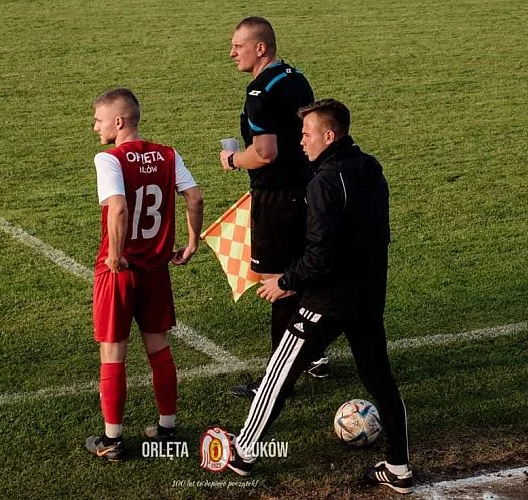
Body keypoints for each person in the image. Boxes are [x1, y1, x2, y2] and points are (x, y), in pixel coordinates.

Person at [226, 99, 412, 495]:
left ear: (329, 135)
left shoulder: (324, 183)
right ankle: (399, 467)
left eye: (307, 134)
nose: (301, 141)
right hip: (368, 296)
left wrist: (285, 281)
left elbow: (321, 254)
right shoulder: (371, 168)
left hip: (328, 299)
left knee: (277, 375)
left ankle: (242, 453)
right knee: (380, 381)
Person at [85, 88, 204, 461]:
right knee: (159, 348)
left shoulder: (109, 159)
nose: (95, 127)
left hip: (120, 271)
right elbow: (195, 197)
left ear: (118, 122)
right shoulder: (168, 154)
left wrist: (115, 254)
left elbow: (118, 208)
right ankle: (167, 428)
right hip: (156, 269)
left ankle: (112, 440)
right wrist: (192, 242)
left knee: (113, 351)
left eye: (99, 120)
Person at [219, 16, 329, 398]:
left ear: (260, 48)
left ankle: (278, 379)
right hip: (307, 189)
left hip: (276, 198)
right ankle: (314, 355)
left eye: (238, 46)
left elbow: (265, 152)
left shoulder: (259, 91)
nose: (232, 53)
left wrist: (233, 160)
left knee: (279, 284)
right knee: (301, 274)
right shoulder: (296, 78)